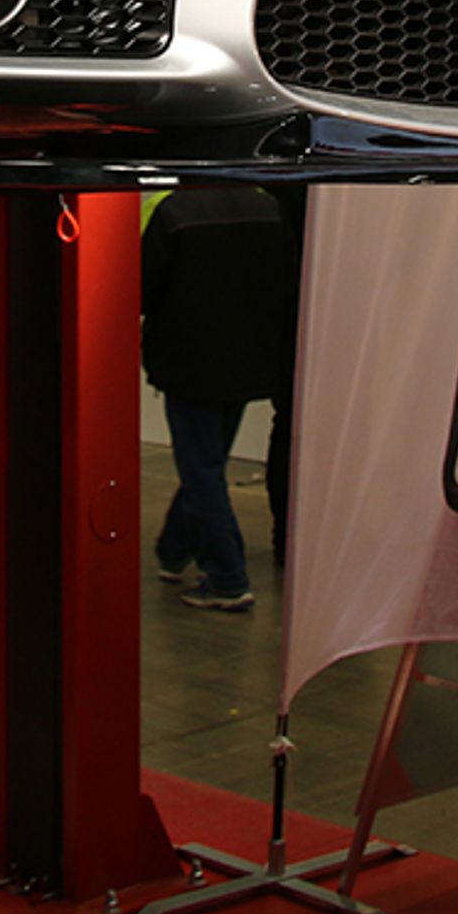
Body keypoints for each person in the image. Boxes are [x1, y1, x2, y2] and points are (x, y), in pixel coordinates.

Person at [141, 184, 299, 611]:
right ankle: (173, 551)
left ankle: (227, 575)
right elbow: (284, 280)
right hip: (248, 359)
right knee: (205, 462)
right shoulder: (268, 205)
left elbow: (143, 287)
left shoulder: (175, 211)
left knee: (201, 469)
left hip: (190, 360)